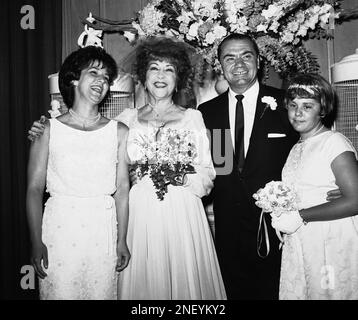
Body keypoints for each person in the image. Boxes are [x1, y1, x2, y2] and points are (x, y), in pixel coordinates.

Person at [115, 37, 226, 299]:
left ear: (178, 79)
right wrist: (47, 129)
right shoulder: (126, 120)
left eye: (169, 69)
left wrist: (178, 173)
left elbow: (208, 174)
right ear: (143, 75)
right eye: (155, 67)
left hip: (182, 210)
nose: (161, 75)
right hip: (140, 212)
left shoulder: (192, 118)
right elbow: (98, 156)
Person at [198, 33, 299, 300]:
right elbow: (219, 166)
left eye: (246, 56)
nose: (239, 64)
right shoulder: (207, 112)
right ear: (220, 65)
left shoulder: (287, 104)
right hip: (228, 231)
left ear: (259, 61)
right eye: (229, 58)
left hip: (278, 227)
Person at [26, 46, 130, 300]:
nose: (101, 81)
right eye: (94, 73)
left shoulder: (120, 131)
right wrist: (36, 241)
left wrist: (122, 240)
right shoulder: (47, 129)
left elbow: (123, 192)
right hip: (60, 231)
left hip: (102, 233)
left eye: (106, 77)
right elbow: (34, 189)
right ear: (73, 78)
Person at [270, 73, 358, 300]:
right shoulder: (296, 147)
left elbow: (355, 200)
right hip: (303, 240)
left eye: (307, 106)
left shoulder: (333, 142)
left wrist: (300, 215)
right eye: (293, 105)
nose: (297, 113)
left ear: (323, 109)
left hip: (330, 239)